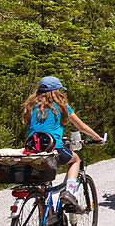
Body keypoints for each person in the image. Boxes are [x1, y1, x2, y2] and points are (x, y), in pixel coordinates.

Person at [22, 76, 105, 210]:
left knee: (43, 183)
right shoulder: (61, 106)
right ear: (56, 91)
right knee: (75, 160)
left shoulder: (32, 106)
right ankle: (69, 193)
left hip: (33, 149)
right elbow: (81, 127)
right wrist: (97, 137)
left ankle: (44, 221)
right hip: (53, 149)